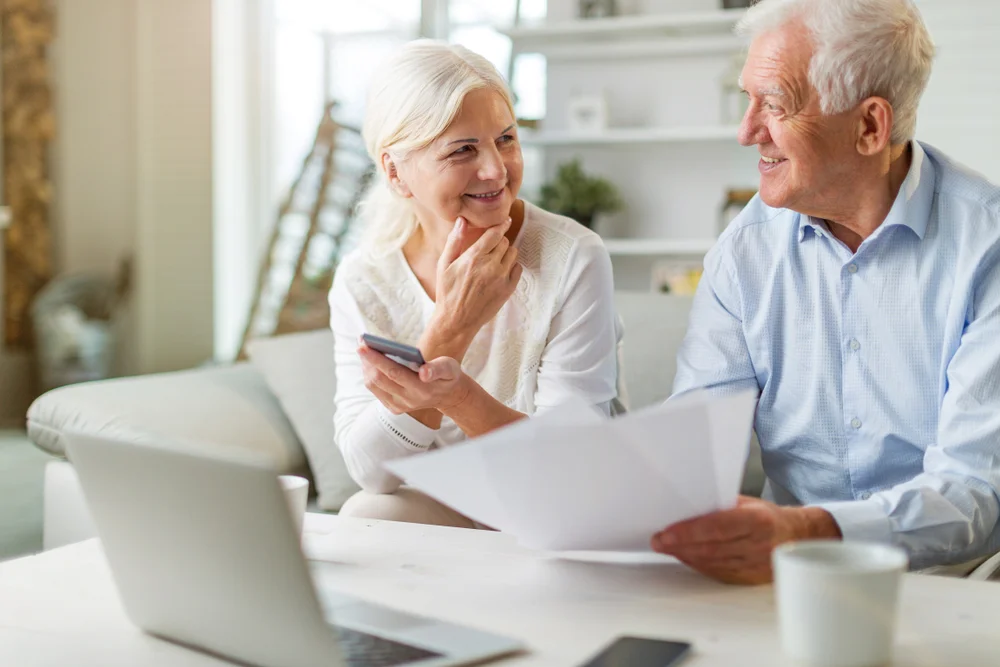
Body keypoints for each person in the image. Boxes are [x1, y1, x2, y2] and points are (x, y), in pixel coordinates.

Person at [651, 0, 1000, 584]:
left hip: (953, 579)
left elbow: (972, 490)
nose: (745, 131)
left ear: (869, 126)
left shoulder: (986, 247)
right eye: (747, 98)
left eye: (776, 104)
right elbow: (698, 443)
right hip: (780, 573)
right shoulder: (744, 251)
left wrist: (806, 530)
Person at [329, 40, 623, 527]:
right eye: (463, 149)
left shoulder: (573, 257)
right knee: (369, 512)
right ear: (395, 172)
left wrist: (450, 392)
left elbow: (569, 468)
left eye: (506, 139)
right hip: (448, 508)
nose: (496, 170)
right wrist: (450, 329)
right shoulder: (365, 279)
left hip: (561, 507)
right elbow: (370, 473)